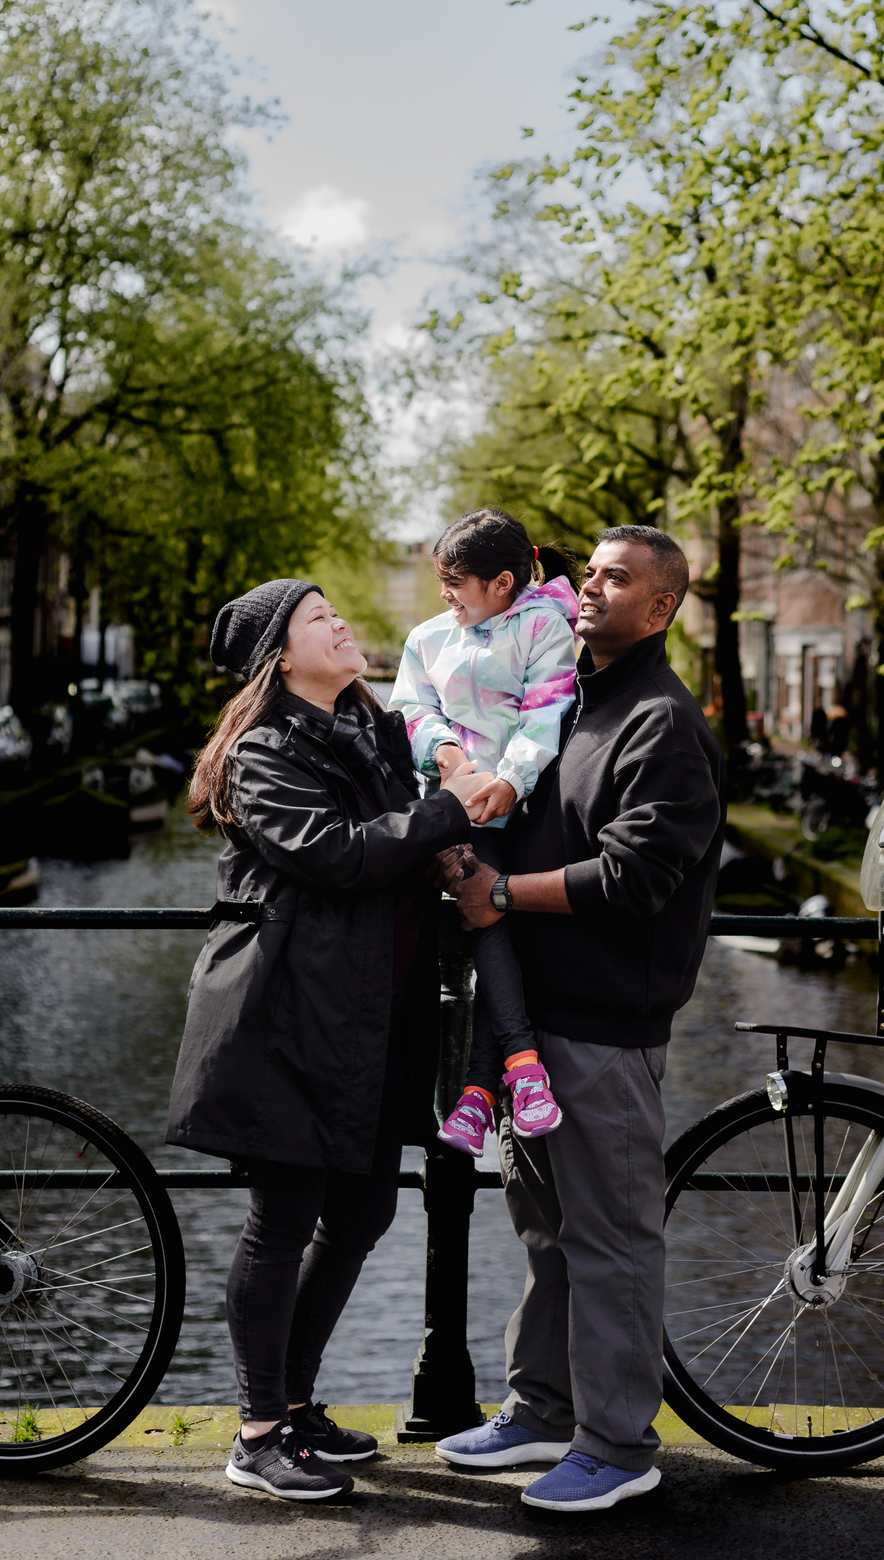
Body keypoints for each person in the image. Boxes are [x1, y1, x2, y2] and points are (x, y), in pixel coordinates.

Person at [165, 578, 493, 1504]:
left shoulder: (371, 732)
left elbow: (400, 836)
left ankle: (296, 1406)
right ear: (279, 655)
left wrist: (447, 838)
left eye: (335, 613)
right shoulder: (263, 751)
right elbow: (338, 853)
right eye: (319, 619)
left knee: (362, 1214)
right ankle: (257, 1431)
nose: (342, 624)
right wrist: (448, 812)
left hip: (370, 1015)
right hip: (288, 1013)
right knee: (283, 1220)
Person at [433, 526, 725, 1514]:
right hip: (527, 1024)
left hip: (604, 1027)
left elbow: (636, 875)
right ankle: (547, 1407)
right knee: (549, 1232)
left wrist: (504, 894)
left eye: (618, 576)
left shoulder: (663, 722)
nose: (591, 585)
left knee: (612, 1239)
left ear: (659, 608)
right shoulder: (561, 699)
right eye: (588, 570)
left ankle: (617, 1442)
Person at [389, 509, 578, 1156]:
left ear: (502, 582)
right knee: (484, 906)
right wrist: (443, 754)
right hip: (457, 811)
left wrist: (511, 781)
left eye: (455, 582)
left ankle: (480, 1090)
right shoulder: (429, 638)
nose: (444, 594)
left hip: (523, 810)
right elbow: (411, 707)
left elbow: (546, 708)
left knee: (492, 911)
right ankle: (517, 1070)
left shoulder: (546, 626)